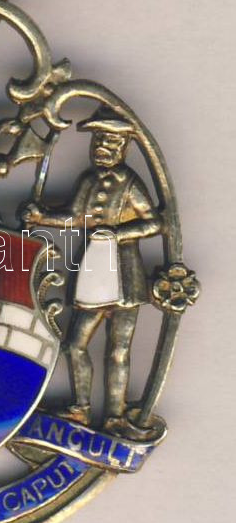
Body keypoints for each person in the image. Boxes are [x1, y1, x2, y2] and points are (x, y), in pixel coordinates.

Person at [22, 106, 161, 436]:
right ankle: (81, 408)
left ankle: (115, 415)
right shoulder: (88, 180)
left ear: (123, 147)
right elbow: (75, 217)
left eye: (109, 142)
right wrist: (42, 217)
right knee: (75, 344)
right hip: (93, 271)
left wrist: (118, 233)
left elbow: (154, 223)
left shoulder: (129, 184)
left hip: (125, 275)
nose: (101, 148)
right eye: (98, 141)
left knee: (118, 350)